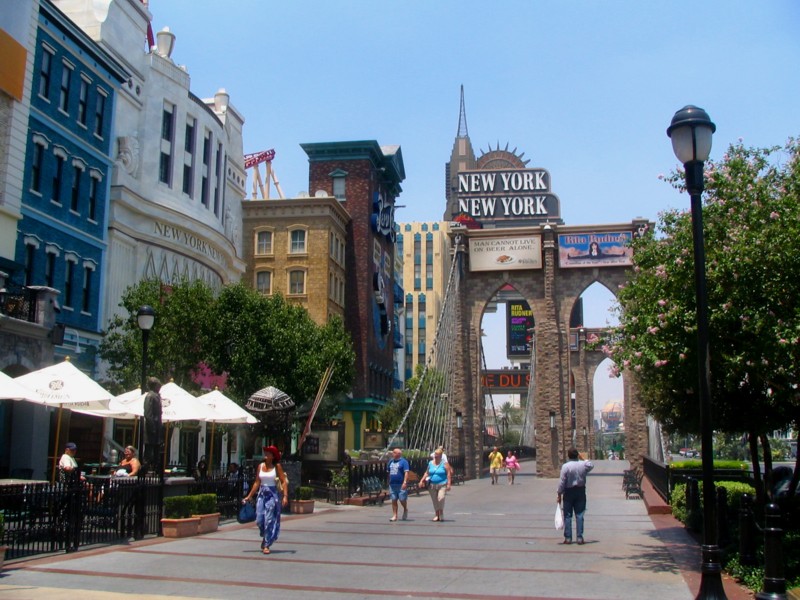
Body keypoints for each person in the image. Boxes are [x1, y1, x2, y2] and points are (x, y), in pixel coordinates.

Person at [243, 445, 288, 555]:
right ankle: (265, 535)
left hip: (272, 495)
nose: (266, 455)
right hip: (262, 494)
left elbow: (284, 481)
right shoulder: (260, 466)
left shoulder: (277, 467)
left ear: (272, 456)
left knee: (268, 520)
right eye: (266, 453)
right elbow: (257, 482)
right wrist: (249, 496)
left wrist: (285, 496)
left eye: (268, 453)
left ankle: (267, 544)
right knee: (259, 519)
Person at [557, 447, 594, 545]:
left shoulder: (566, 466)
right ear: (577, 455)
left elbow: (562, 481)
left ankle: (568, 538)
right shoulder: (583, 465)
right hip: (580, 491)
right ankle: (579, 538)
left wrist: (559, 493)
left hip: (568, 492)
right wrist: (583, 458)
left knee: (567, 515)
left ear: (568, 456)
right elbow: (591, 465)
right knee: (580, 514)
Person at [420, 447, 452, 521]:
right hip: (432, 485)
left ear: (441, 455)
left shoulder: (444, 463)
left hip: (442, 484)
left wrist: (449, 483)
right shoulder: (430, 463)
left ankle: (441, 512)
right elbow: (427, 472)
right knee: (434, 500)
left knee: (441, 498)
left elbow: (448, 474)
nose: (435, 456)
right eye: (435, 454)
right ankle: (437, 514)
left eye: (437, 454)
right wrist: (421, 480)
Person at [143, 377, 163, 475]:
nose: (160, 387)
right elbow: (147, 414)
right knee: (149, 450)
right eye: (159, 385)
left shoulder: (157, 396)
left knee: (157, 450)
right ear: (154, 385)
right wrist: (152, 428)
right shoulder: (150, 396)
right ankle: (146, 469)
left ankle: (156, 469)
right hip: (152, 427)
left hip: (157, 426)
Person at [386, 447, 410, 522]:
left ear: (398, 454)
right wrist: (388, 481)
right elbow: (388, 472)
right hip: (392, 484)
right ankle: (394, 515)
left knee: (402, 499)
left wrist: (405, 482)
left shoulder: (404, 462)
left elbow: (406, 472)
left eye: (394, 452)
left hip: (401, 484)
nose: (392, 454)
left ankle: (405, 509)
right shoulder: (390, 462)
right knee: (393, 499)